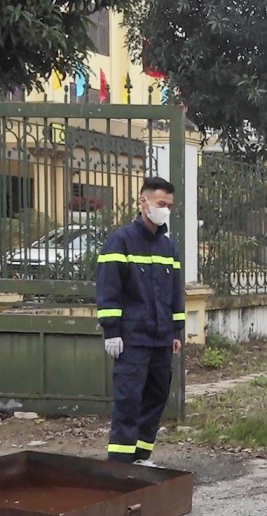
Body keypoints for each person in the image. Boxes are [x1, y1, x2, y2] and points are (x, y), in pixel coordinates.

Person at [96, 177, 184, 466]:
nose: (166, 210)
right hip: (132, 338)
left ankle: (140, 457)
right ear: (143, 202)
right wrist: (112, 331)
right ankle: (120, 464)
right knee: (129, 399)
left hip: (160, 338)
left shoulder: (168, 247)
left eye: (169, 206)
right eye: (161, 204)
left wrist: (176, 330)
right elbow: (109, 289)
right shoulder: (120, 241)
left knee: (156, 397)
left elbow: (175, 293)